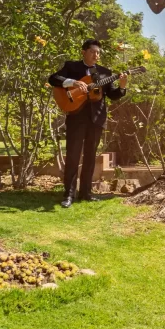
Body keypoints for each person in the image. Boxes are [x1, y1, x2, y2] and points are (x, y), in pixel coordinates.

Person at [48, 39, 127, 208]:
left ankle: (86, 193)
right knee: (73, 156)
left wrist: (122, 87)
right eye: (92, 52)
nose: (96, 55)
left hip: (97, 119)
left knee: (90, 157)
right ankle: (68, 195)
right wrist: (73, 82)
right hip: (76, 117)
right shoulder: (72, 67)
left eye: (98, 52)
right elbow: (53, 78)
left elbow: (112, 95)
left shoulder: (105, 73)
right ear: (83, 52)